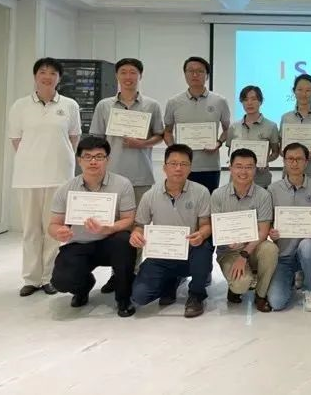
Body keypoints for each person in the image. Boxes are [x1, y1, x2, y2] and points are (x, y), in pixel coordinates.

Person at [8, 57, 81, 297]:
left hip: (59, 176)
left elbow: (74, 137)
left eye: (52, 73)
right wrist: (34, 159)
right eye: (42, 72)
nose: (47, 76)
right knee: (31, 229)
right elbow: (16, 140)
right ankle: (31, 278)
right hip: (28, 176)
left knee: (54, 230)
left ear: (59, 78)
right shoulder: (20, 106)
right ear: (35, 76)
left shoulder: (69, 105)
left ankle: (49, 277)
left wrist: (59, 159)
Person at [90, 57, 164, 294]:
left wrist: (143, 143)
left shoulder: (151, 105)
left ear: (140, 76)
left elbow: (160, 135)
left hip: (141, 176)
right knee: (115, 229)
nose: (128, 77)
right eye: (123, 72)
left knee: (138, 227)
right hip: (111, 178)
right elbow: (96, 140)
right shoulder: (104, 106)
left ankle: (134, 271)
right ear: (117, 76)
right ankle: (117, 273)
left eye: (133, 72)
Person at [48, 137, 137, 317]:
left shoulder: (122, 184)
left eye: (99, 156)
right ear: (79, 160)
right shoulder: (66, 189)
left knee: (124, 241)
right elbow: (53, 224)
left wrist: (108, 229)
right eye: (87, 157)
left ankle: (123, 298)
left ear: (107, 159)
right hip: (78, 244)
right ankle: (84, 286)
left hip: (110, 242)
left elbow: (129, 220)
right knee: (61, 281)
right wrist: (59, 232)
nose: (93, 161)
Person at [130, 144, 213, 318]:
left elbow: (206, 224)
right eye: (173, 163)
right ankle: (171, 280)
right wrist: (136, 234)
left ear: (190, 168)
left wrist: (202, 234)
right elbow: (139, 225)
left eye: (184, 164)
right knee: (140, 296)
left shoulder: (201, 192)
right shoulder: (150, 195)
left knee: (204, 248)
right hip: (161, 255)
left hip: (191, 252)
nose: (178, 168)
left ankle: (196, 294)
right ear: (164, 167)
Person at [212, 148, 278, 313]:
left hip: (253, 247)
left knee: (270, 249)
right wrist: (228, 242)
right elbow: (216, 228)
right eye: (239, 166)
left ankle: (261, 295)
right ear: (230, 168)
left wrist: (244, 254)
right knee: (240, 284)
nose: (243, 171)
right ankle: (236, 285)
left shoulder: (263, 195)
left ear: (255, 169)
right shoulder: (218, 195)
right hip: (228, 251)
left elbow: (263, 231)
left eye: (249, 167)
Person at [266, 143, 311, 312]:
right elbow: (268, 222)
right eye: (290, 159)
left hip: (307, 250)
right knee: (276, 302)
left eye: (299, 159)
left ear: (306, 162)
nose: (294, 163)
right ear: (284, 161)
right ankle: (292, 276)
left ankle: (309, 287)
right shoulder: (273, 189)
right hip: (283, 256)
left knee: (307, 246)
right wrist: (271, 232)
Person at [163, 56, 231, 193]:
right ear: (185, 74)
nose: (195, 75)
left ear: (207, 76)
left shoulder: (220, 101)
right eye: (191, 71)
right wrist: (174, 149)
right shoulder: (173, 102)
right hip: (181, 167)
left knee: (207, 203)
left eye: (200, 71)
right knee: (181, 202)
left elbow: (228, 130)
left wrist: (218, 143)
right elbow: (168, 132)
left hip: (209, 166)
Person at [225, 85, 280, 189]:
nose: (249, 103)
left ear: (260, 101)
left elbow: (276, 152)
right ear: (241, 102)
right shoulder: (234, 127)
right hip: (237, 179)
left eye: (254, 99)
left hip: (260, 179)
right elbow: (230, 152)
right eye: (245, 100)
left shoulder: (271, 126)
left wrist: (265, 160)